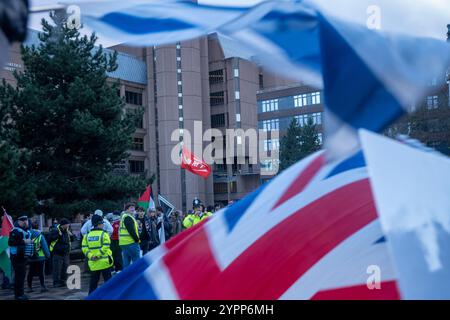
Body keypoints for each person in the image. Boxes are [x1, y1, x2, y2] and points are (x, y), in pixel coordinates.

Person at [82, 214, 113, 294]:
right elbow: (106, 246)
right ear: (99, 224)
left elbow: (84, 248)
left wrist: (91, 256)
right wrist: (98, 255)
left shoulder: (87, 236)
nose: (103, 225)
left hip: (93, 263)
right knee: (108, 282)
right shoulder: (104, 234)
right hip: (105, 263)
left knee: (93, 283)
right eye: (102, 223)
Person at [8, 215, 34, 300]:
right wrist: (24, 241)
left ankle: (21, 294)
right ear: (19, 221)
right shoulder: (15, 231)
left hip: (23, 257)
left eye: (26, 221)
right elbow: (11, 242)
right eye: (24, 221)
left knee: (22, 276)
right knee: (19, 277)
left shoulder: (24, 230)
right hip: (17, 257)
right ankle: (18, 295)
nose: (26, 223)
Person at [27, 221, 50, 293]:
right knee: (41, 273)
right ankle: (43, 286)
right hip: (40, 257)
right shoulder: (40, 235)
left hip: (30, 257)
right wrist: (48, 255)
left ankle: (29, 287)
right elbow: (44, 247)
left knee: (30, 273)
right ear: (38, 227)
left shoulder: (27, 235)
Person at [48, 218, 72, 288]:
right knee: (57, 269)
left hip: (66, 253)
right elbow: (50, 239)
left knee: (65, 268)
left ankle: (63, 281)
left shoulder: (67, 231)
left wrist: (71, 235)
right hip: (57, 253)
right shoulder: (56, 230)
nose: (68, 225)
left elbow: (71, 240)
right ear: (63, 225)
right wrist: (58, 235)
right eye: (67, 224)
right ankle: (56, 282)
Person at [119, 203, 140, 268]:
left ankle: (126, 277)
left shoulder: (124, 217)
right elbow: (131, 231)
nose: (133, 209)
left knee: (126, 262)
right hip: (131, 242)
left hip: (124, 243)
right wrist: (137, 240)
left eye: (133, 208)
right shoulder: (128, 218)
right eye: (131, 208)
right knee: (136, 261)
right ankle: (136, 276)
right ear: (126, 209)